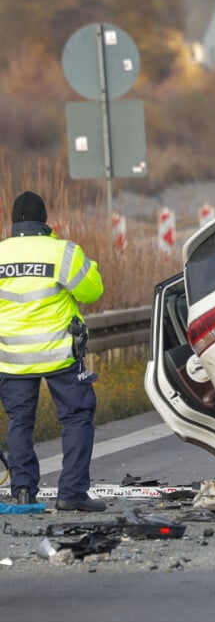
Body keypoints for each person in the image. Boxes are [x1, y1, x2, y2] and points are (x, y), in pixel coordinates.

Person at [0, 191, 105, 511]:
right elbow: (92, 290)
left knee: (19, 421)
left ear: (15, 223)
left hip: (12, 359)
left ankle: (22, 491)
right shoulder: (62, 252)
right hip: (59, 354)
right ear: (44, 220)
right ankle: (71, 493)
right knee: (77, 417)